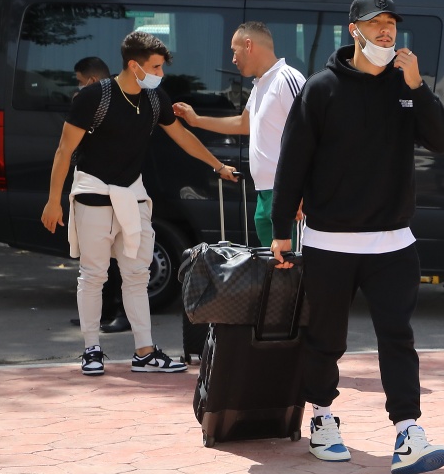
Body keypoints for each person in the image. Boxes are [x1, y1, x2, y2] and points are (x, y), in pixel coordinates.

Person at [270, 0, 444, 474]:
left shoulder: (404, 86)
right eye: (376, 23)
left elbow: (442, 140)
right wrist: (281, 229)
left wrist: (418, 87)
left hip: (394, 243)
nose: (386, 31)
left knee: (398, 338)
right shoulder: (321, 88)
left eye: (391, 22)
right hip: (330, 242)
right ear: (354, 30)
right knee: (326, 339)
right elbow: (293, 160)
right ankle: (322, 417)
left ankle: (408, 431)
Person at [40, 30, 238, 376]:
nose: (160, 74)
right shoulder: (94, 97)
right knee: (94, 275)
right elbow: (64, 150)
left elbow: (182, 136)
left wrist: (218, 166)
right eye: (156, 67)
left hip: (132, 195)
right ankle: (91, 349)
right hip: (93, 194)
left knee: (136, 275)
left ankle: (145, 351)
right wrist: (53, 201)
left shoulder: (154, 98)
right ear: (135, 66)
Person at [172, 21, 305, 246]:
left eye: (234, 51)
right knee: (275, 265)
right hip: (265, 194)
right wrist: (196, 120)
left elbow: (309, 134)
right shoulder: (260, 84)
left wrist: (301, 191)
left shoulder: (287, 79)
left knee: (293, 265)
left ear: (249, 45)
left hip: (288, 194)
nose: (233, 59)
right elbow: (244, 124)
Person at [69, 56, 129, 333]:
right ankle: (103, 311)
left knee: (122, 258)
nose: (78, 88)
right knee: (98, 258)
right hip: (94, 187)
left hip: (120, 189)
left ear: (92, 80)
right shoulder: (94, 100)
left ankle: (123, 312)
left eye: (80, 82)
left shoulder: (119, 99)